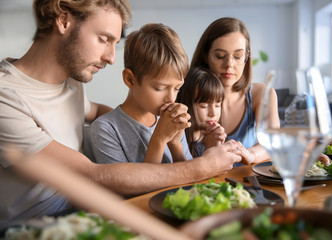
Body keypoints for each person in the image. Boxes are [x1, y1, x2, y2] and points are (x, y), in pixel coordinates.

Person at [0, 1, 242, 231]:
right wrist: (201, 167)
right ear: (63, 20)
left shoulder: (71, 82)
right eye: (103, 39)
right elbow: (91, 174)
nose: (111, 57)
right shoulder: (6, 98)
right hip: (34, 226)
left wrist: (135, 121)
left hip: (80, 213)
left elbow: (94, 111)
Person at [85, 23, 192, 164]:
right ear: (130, 79)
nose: (171, 99)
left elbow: (190, 179)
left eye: (177, 88)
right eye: (159, 88)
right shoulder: (105, 130)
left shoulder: (171, 120)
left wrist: (175, 144)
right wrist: (159, 140)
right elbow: (131, 185)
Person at [191, 17, 280, 166]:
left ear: (246, 57)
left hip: (246, 186)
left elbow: (273, 143)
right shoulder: (188, 94)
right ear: (206, 55)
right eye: (220, 56)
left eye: (238, 56)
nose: (229, 65)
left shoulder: (262, 94)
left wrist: (249, 154)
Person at [177, 67, 227, 157]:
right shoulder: (178, 141)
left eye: (217, 105)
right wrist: (210, 150)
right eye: (204, 106)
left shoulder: (214, 137)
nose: (213, 113)